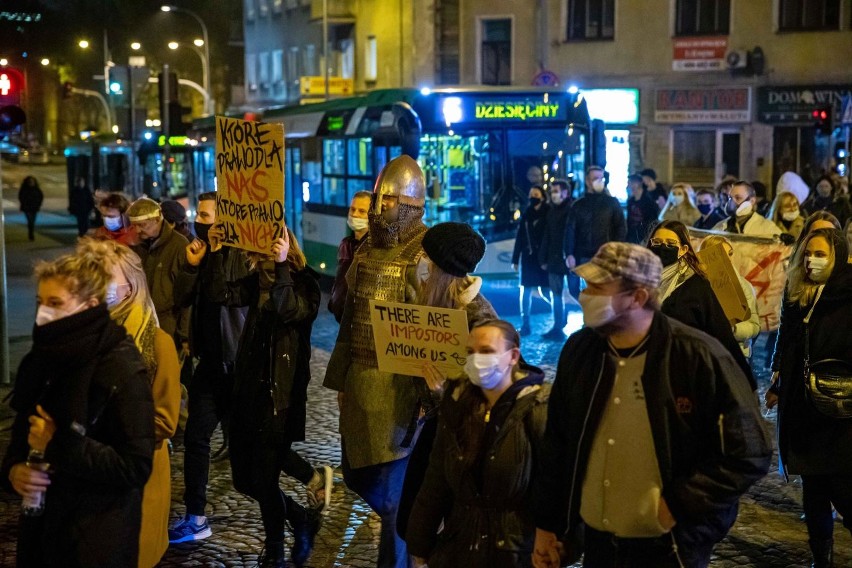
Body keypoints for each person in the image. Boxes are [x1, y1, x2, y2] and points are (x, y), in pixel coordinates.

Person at [532, 242, 771, 568]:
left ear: (639, 297)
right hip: (597, 543)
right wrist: (549, 524)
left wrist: (680, 504)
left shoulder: (696, 356)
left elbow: (749, 451)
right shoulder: (581, 351)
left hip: (667, 547)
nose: (585, 294)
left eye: (598, 287)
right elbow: (557, 443)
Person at [1, 250, 155, 567]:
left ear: (90, 306)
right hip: (42, 529)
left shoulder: (121, 367)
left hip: (96, 536)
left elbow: (135, 466)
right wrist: (15, 471)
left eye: (55, 303)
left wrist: (57, 445)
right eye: (39, 301)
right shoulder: (41, 360)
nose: (43, 312)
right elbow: (22, 435)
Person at [323, 154, 429, 568]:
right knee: (355, 475)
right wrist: (343, 382)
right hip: (362, 379)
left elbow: (433, 331)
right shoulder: (367, 249)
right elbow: (349, 321)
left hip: (399, 388)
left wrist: (426, 397)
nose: (377, 209)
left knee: (390, 498)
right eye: (377, 201)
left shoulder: (424, 252)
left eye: (387, 202)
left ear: (409, 205)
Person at [208, 228, 325, 567]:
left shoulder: (305, 283)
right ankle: (301, 518)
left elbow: (289, 310)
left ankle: (275, 550)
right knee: (244, 479)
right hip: (246, 393)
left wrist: (283, 265)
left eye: (255, 255)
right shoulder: (256, 281)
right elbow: (220, 294)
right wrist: (216, 253)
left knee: (264, 478)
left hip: (279, 399)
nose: (249, 259)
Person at [406, 319, 548, 567]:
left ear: (513, 356)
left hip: (517, 554)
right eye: (470, 352)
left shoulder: (538, 409)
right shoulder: (458, 402)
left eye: (487, 351)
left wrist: (553, 547)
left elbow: (555, 487)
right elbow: (437, 476)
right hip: (460, 547)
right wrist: (420, 541)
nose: (476, 359)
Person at [76, 237, 181, 568]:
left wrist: (103, 428)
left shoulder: (158, 343)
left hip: (140, 477)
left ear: (131, 285)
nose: (99, 285)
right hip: (95, 474)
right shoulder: (88, 335)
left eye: (108, 276)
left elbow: (165, 421)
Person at [396, 222, 497, 545]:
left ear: (441, 267)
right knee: (410, 524)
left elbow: (490, 394)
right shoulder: (432, 301)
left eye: (426, 256)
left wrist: (445, 394)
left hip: (465, 439)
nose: (420, 261)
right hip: (438, 428)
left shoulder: (480, 320)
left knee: (444, 527)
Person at [765, 229, 852, 568]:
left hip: (839, 409)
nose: (811, 260)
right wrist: (778, 384)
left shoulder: (846, 295)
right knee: (813, 489)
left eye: (820, 254)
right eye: (808, 253)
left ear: (837, 256)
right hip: (804, 407)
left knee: (842, 488)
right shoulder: (800, 293)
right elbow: (789, 342)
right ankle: (822, 558)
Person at [168, 192, 248, 543]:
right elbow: (181, 298)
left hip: (237, 366)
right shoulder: (199, 250)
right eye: (198, 215)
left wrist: (213, 257)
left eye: (206, 215)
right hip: (209, 366)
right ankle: (196, 516)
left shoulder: (239, 256)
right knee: (196, 438)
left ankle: (294, 513)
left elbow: (221, 295)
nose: (200, 220)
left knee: (250, 453)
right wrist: (191, 266)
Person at [647, 220, 756, 391]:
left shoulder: (697, 286)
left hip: (684, 374)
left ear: (683, 249)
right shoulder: (638, 282)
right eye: (657, 243)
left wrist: (744, 382)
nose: (662, 248)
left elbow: (721, 335)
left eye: (670, 244)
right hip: (649, 370)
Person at [127, 197, 194, 340]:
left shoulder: (178, 245)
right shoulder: (135, 244)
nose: (137, 230)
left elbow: (187, 293)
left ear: (157, 219)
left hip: (169, 325)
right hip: (140, 322)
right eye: (134, 225)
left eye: (142, 225)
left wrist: (184, 334)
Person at [565, 166, 627, 302]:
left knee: (600, 292)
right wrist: (569, 253)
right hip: (583, 255)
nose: (599, 181)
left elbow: (620, 228)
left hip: (604, 255)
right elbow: (570, 230)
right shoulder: (579, 205)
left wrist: (615, 250)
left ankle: (597, 321)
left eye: (601, 178)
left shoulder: (612, 203)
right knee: (579, 291)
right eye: (595, 178)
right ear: (587, 181)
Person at [699, 235, 760, 359]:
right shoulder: (695, 285)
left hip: (735, 355)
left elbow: (754, 325)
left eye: (730, 253)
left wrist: (733, 329)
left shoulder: (743, 286)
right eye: (721, 253)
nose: (729, 259)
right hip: (703, 353)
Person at [512, 185, 550, 336]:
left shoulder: (548, 212)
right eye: (531, 194)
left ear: (542, 196)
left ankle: (560, 314)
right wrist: (515, 259)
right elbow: (520, 237)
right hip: (528, 256)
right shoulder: (526, 213)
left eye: (536, 194)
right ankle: (525, 325)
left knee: (546, 291)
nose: (533, 197)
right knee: (525, 290)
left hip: (543, 257)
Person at [329, 190, 371, 322]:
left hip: (361, 323)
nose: (354, 214)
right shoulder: (346, 245)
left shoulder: (374, 247)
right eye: (352, 209)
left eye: (362, 211)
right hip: (342, 319)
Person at [538, 180, 573, 337]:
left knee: (575, 291)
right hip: (554, 257)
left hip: (570, 257)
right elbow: (547, 235)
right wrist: (543, 257)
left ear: (565, 192)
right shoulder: (551, 211)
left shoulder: (573, 209)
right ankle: (558, 325)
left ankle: (590, 323)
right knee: (555, 293)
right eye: (552, 191)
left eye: (556, 191)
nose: (553, 194)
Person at [713, 180, 781, 237]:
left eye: (738, 198)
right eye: (730, 198)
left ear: (752, 201)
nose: (732, 202)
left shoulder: (767, 228)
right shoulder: (721, 226)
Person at [625, 173, 659, 244]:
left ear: (636, 184)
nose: (627, 187)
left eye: (629, 184)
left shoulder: (649, 203)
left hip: (643, 239)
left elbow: (652, 223)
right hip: (631, 238)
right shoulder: (630, 202)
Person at [18, 175, 43, 241]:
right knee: (30, 220)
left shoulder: (36, 189)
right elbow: (21, 197)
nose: (31, 183)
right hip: (27, 208)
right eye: (30, 182)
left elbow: (41, 197)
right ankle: (31, 233)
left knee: (32, 221)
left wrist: (38, 204)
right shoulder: (24, 189)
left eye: (32, 182)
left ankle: (31, 232)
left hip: (34, 207)